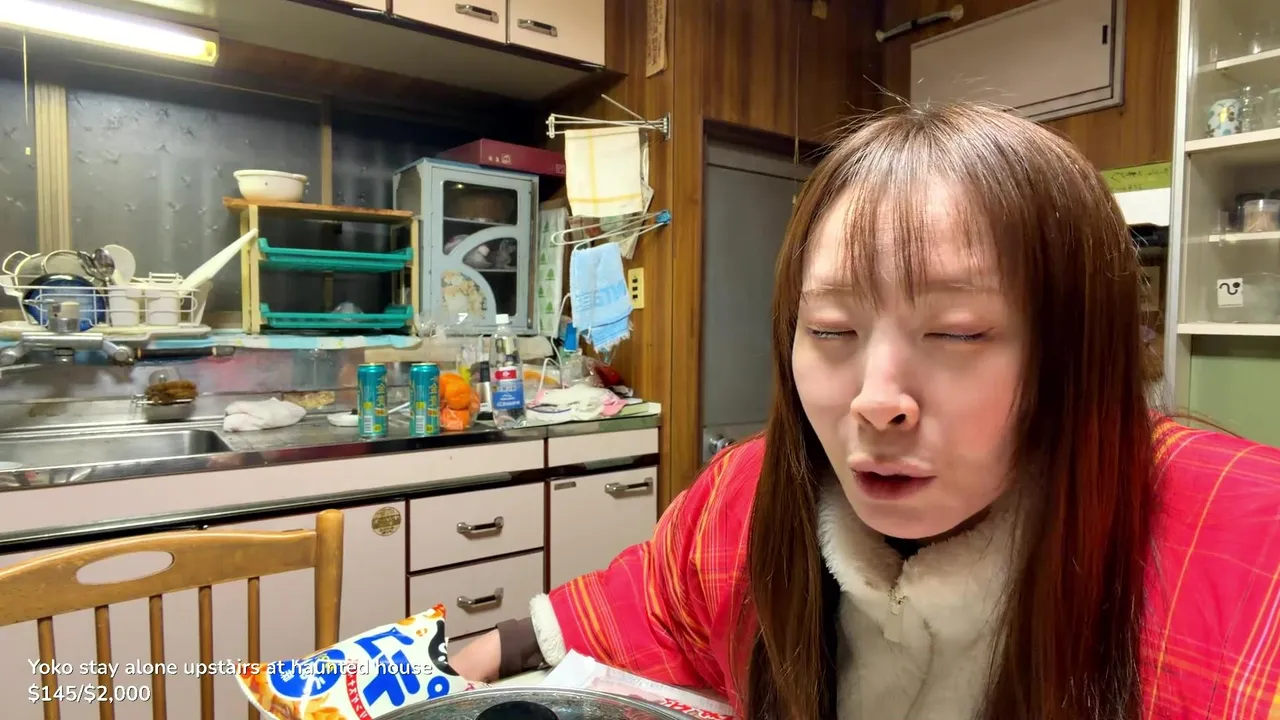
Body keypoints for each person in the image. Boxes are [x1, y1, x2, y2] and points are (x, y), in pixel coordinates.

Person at [452, 103, 1280, 720]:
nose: (876, 399)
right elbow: (646, 603)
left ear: (1077, 354)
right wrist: (451, 665)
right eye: (831, 330)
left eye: (958, 333)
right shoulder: (747, 492)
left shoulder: (1242, 547)